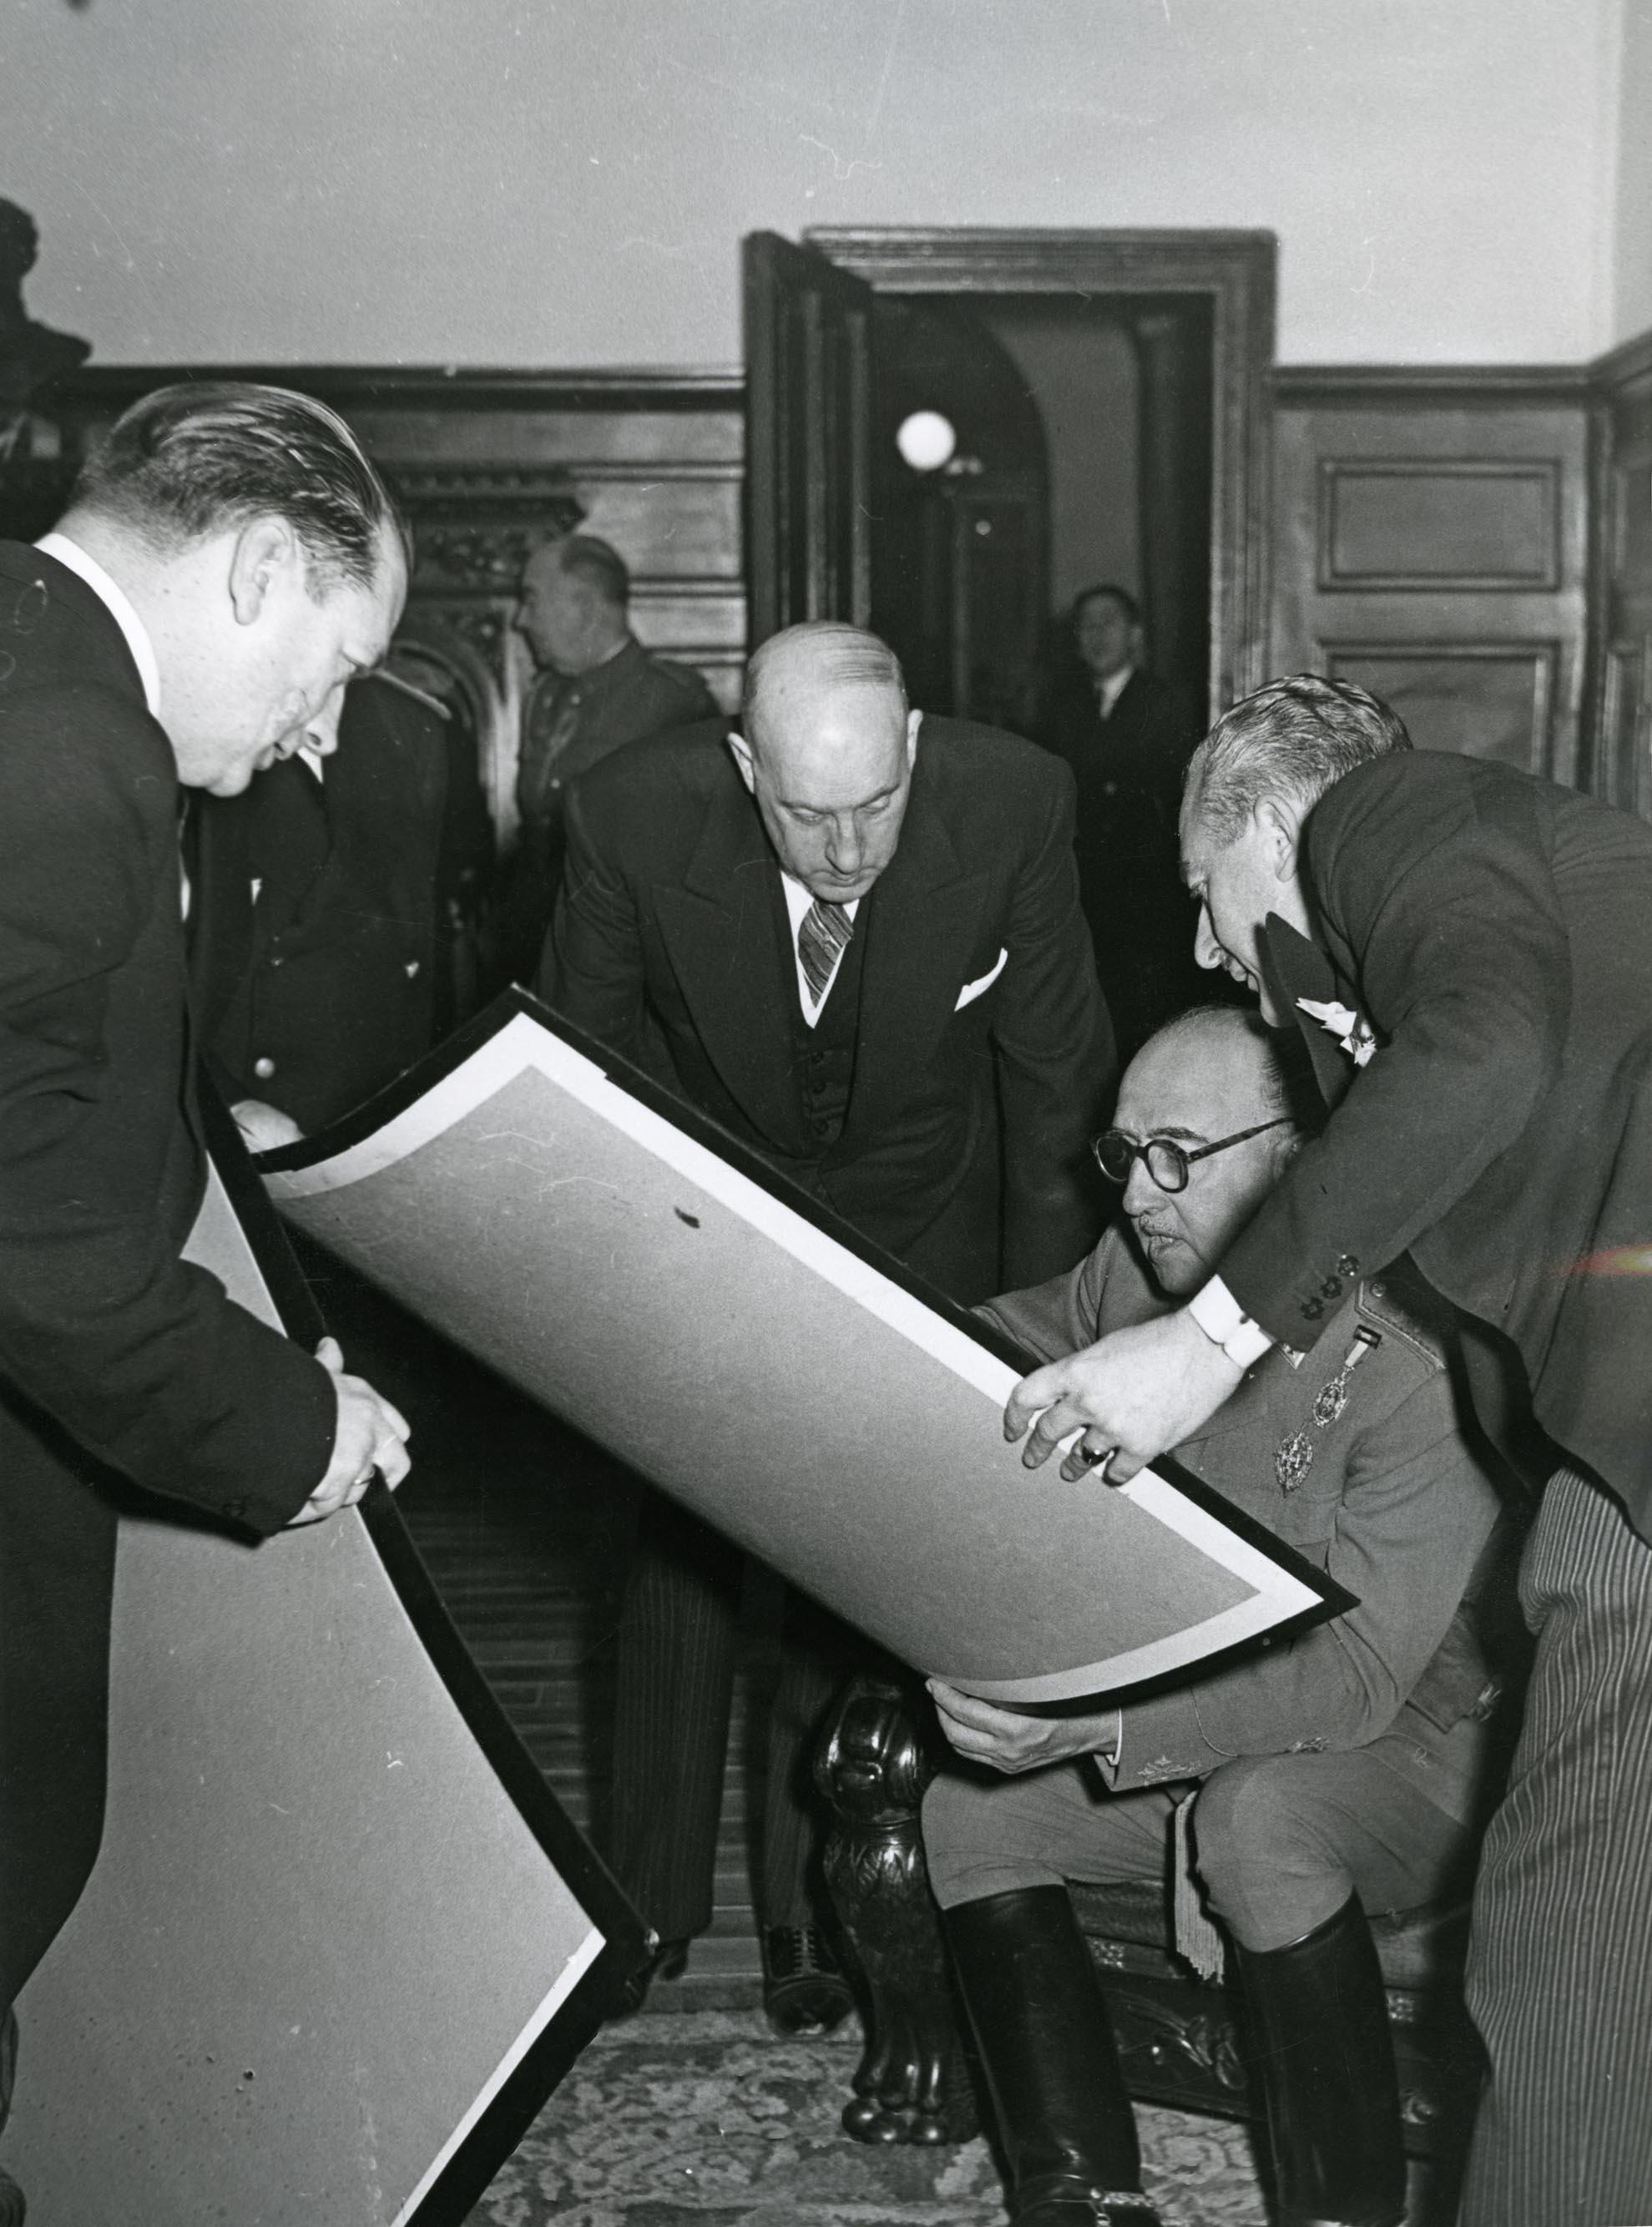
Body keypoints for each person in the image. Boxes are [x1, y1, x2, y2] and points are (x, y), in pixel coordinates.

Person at [1004, 672, 1652, 2227]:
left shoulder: (1387, 814)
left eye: (1198, 888)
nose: (1201, 948)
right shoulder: (1419, 976)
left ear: (1271, 824)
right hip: (1613, 1465)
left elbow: (1483, 1051)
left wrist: (1199, 1343)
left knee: (1565, 1965)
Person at [541, 619, 1113, 2030]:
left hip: (929, 1217)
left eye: (876, 804)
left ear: (913, 747)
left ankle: (816, 1902)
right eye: (806, 815)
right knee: (680, 1559)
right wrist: (623, 1319)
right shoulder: (626, 817)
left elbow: (1055, 1097)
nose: (849, 851)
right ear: (745, 768)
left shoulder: (1012, 802)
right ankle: (647, 1907)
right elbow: (573, 1080)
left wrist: (1036, 1342)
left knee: (860, 1564)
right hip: (704, 1212)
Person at [0, 382, 415, 2219]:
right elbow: (31, 1230)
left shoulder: (34, 659)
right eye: (335, 671)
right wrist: (295, 1422)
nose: (322, 733)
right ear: (254, 567)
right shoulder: (66, 749)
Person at [922, 1004, 1507, 2227]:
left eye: (1175, 1154)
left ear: (1298, 1161)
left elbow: (1355, 1675)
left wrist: (1098, 1728)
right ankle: (1079, 2195)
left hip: (1425, 1745)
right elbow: (1001, 1340)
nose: (1138, 1193)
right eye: (1124, 1153)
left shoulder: (1415, 1352)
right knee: (969, 1812)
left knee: (1257, 1819)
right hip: (1214, 1717)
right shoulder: (1141, 1267)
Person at [189, 667, 482, 1144]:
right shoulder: (195, 716)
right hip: (244, 1117)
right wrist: (227, 1103)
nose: (324, 738)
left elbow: (414, 948)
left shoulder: (409, 727)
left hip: (366, 1116)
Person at [496, 533, 717, 985]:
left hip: (621, 955)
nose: (521, 620)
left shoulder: (672, 701)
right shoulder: (547, 696)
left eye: (532, 600)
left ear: (584, 606)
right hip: (537, 944)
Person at [1035, 585, 1203, 1058]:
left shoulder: (1165, 703)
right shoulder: (1064, 706)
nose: (1097, 635)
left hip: (1144, 892)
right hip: (1082, 885)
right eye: (1087, 625)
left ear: (1134, 634)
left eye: (1108, 622)